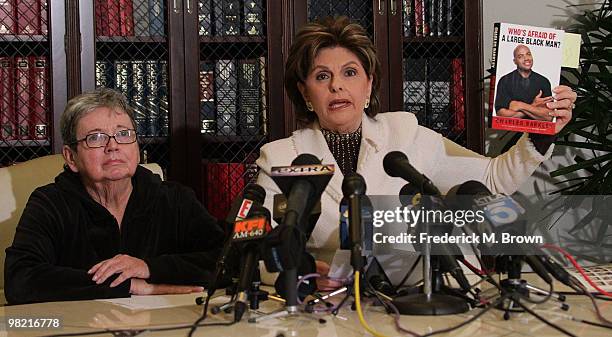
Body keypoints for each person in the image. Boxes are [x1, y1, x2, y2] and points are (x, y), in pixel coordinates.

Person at [255, 17, 576, 290]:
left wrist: (541, 133)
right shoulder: (280, 158)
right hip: (337, 310)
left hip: (425, 298)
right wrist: (302, 269)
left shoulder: (406, 133)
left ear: (368, 85)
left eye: (350, 73)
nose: (337, 85)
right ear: (305, 92)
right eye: (322, 76)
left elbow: (491, 180)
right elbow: (256, 254)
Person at [4, 88, 223, 304]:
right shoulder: (49, 203)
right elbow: (20, 280)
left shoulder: (174, 199)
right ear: (71, 158)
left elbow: (228, 259)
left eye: (123, 134)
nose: (113, 146)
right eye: (96, 137)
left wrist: (148, 268)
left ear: (137, 147)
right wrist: (131, 286)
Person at [495, 44, 554, 121]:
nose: (526, 58)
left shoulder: (543, 81)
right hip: (512, 131)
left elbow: (548, 117)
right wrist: (534, 105)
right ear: (515, 61)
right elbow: (501, 115)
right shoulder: (505, 80)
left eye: (528, 54)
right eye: (520, 56)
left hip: (537, 130)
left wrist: (520, 105)